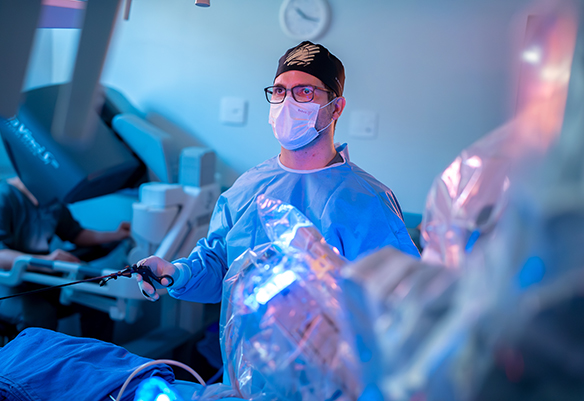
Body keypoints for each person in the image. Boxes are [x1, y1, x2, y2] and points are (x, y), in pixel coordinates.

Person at [136, 41, 420, 304]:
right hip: (244, 343)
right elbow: (219, 266)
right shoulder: (247, 187)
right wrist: (177, 273)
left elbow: (400, 301)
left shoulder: (367, 201)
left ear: (336, 108)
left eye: (305, 91)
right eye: (280, 90)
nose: (287, 103)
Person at [0, 176, 132, 340]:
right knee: (39, 316)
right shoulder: (0, 198)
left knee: (98, 294)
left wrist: (116, 234)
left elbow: (75, 234)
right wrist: (46, 261)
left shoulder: (50, 196)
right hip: (1, 283)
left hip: (39, 278)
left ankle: (96, 356)